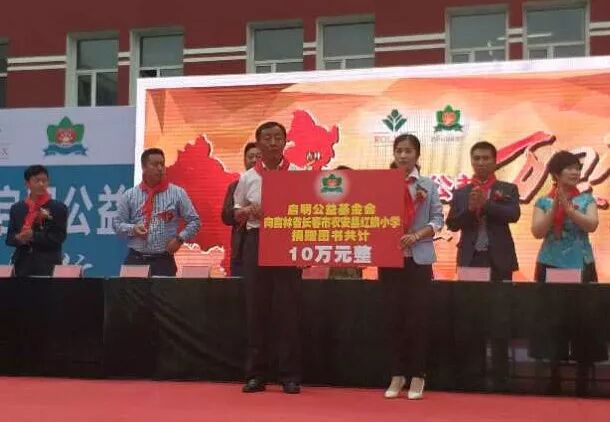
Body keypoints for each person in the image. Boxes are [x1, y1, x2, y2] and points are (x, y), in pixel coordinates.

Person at [234, 121, 302, 394]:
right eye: (267, 138)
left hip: (286, 241)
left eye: (278, 138)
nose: (273, 143)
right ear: (258, 143)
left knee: (288, 311)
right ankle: (256, 374)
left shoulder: (297, 174)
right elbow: (236, 212)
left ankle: (289, 375)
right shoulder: (248, 177)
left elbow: (307, 209)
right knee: (256, 309)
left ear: (285, 142)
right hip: (257, 240)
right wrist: (248, 210)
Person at [529, 150, 605, 395]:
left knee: (584, 321)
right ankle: (554, 377)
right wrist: (556, 206)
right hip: (550, 264)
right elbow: (538, 232)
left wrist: (570, 210)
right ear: (555, 173)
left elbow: (591, 225)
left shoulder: (586, 200)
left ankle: (582, 379)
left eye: (577, 168)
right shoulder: (543, 201)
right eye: (569, 168)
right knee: (551, 322)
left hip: (581, 265)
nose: (574, 172)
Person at [446, 141, 520, 391]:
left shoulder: (507, 188)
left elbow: (513, 215)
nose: (481, 162)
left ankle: (501, 376)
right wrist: (469, 209)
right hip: (471, 260)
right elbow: (452, 224)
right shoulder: (461, 192)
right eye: (476, 158)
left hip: (499, 261)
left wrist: (485, 204)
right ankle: (472, 375)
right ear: (471, 161)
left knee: (500, 319)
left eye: (486, 158)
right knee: (471, 319)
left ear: (495, 161)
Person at [381, 134, 443, 400]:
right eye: (399, 150)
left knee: (417, 319)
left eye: (408, 151)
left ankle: (418, 374)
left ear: (417, 155)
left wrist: (417, 235)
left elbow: (438, 220)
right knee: (393, 319)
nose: (403, 155)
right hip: (390, 259)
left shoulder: (428, 185)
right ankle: (397, 374)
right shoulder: (382, 184)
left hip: (418, 259)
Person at [114, 148, 201, 276]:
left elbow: (195, 221)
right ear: (144, 167)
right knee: (131, 290)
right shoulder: (130, 195)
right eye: (155, 165)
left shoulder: (177, 193)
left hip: (163, 260)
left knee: (164, 290)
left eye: (162, 164)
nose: (160, 168)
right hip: (136, 259)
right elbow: (117, 225)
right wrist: (133, 229)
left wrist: (179, 239)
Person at [5, 165, 68, 277]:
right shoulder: (17, 208)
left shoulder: (58, 208)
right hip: (22, 266)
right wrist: (19, 238)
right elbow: (9, 239)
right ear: (27, 184)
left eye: (44, 181)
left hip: (48, 266)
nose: (41, 184)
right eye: (37, 181)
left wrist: (33, 236)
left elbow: (59, 237)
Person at [221, 142, 261, 276]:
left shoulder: (273, 184)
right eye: (250, 157)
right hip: (241, 250)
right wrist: (243, 211)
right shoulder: (235, 186)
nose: (254, 160)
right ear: (244, 161)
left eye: (258, 157)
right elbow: (226, 216)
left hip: (266, 250)